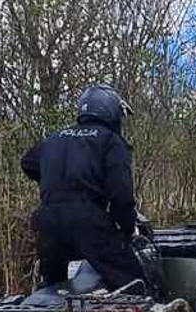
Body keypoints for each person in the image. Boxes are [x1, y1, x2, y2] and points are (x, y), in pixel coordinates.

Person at [20, 84, 145, 291]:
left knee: (52, 289)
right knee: (133, 283)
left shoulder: (54, 138)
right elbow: (121, 195)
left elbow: (27, 162)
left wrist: (55, 182)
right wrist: (127, 229)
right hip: (87, 221)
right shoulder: (111, 141)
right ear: (112, 111)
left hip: (47, 221)